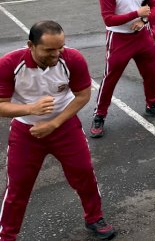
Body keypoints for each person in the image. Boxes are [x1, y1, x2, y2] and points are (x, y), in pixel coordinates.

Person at [0, 21, 116, 240]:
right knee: (18, 188)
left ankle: (94, 217)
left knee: (84, 173)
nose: (57, 54)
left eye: (60, 47)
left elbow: (82, 94)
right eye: (49, 50)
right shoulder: (9, 64)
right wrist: (30, 109)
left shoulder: (72, 59)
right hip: (27, 132)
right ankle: (7, 235)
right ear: (30, 45)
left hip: (64, 127)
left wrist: (54, 123)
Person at [91, 0, 155, 139]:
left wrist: (143, 20)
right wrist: (136, 13)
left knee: (150, 73)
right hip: (119, 39)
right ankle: (99, 115)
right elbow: (109, 20)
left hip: (143, 37)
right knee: (110, 78)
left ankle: (152, 104)